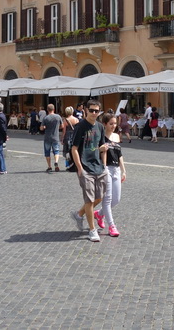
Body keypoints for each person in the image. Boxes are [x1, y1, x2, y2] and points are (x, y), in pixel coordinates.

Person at [69, 99, 108, 242]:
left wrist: (103, 164)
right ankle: (92, 230)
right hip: (85, 168)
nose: (94, 113)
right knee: (90, 200)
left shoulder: (100, 127)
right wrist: (80, 168)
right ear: (85, 110)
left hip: (99, 167)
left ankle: (79, 214)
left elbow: (103, 147)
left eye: (97, 111)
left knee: (99, 197)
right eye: (91, 110)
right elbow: (74, 149)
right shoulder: (80, 127)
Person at [94, 112, 126, 237]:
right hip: (106, 168)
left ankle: (99, 214)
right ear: (105, 124)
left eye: (115, 123)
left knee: (116, 199)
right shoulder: (101, 137)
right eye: (111, 124)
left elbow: (120, 154)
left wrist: (124, 170)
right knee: (107, 199)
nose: (114, 126)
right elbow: (95, 151)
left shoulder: (117, 137)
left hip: (116, 169)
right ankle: (112, 226)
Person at [40, 103, 63, 172]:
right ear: (54, 109)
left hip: (47, 137)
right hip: (55, 137)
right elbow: (62, 126)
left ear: (47, 110)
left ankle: (49, 166)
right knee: (56, 151)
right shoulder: (58, 117)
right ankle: (56, 162)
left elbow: (41, 128)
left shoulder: (46, 118)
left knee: (47, 152)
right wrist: (57, 127)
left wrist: (44, 127)